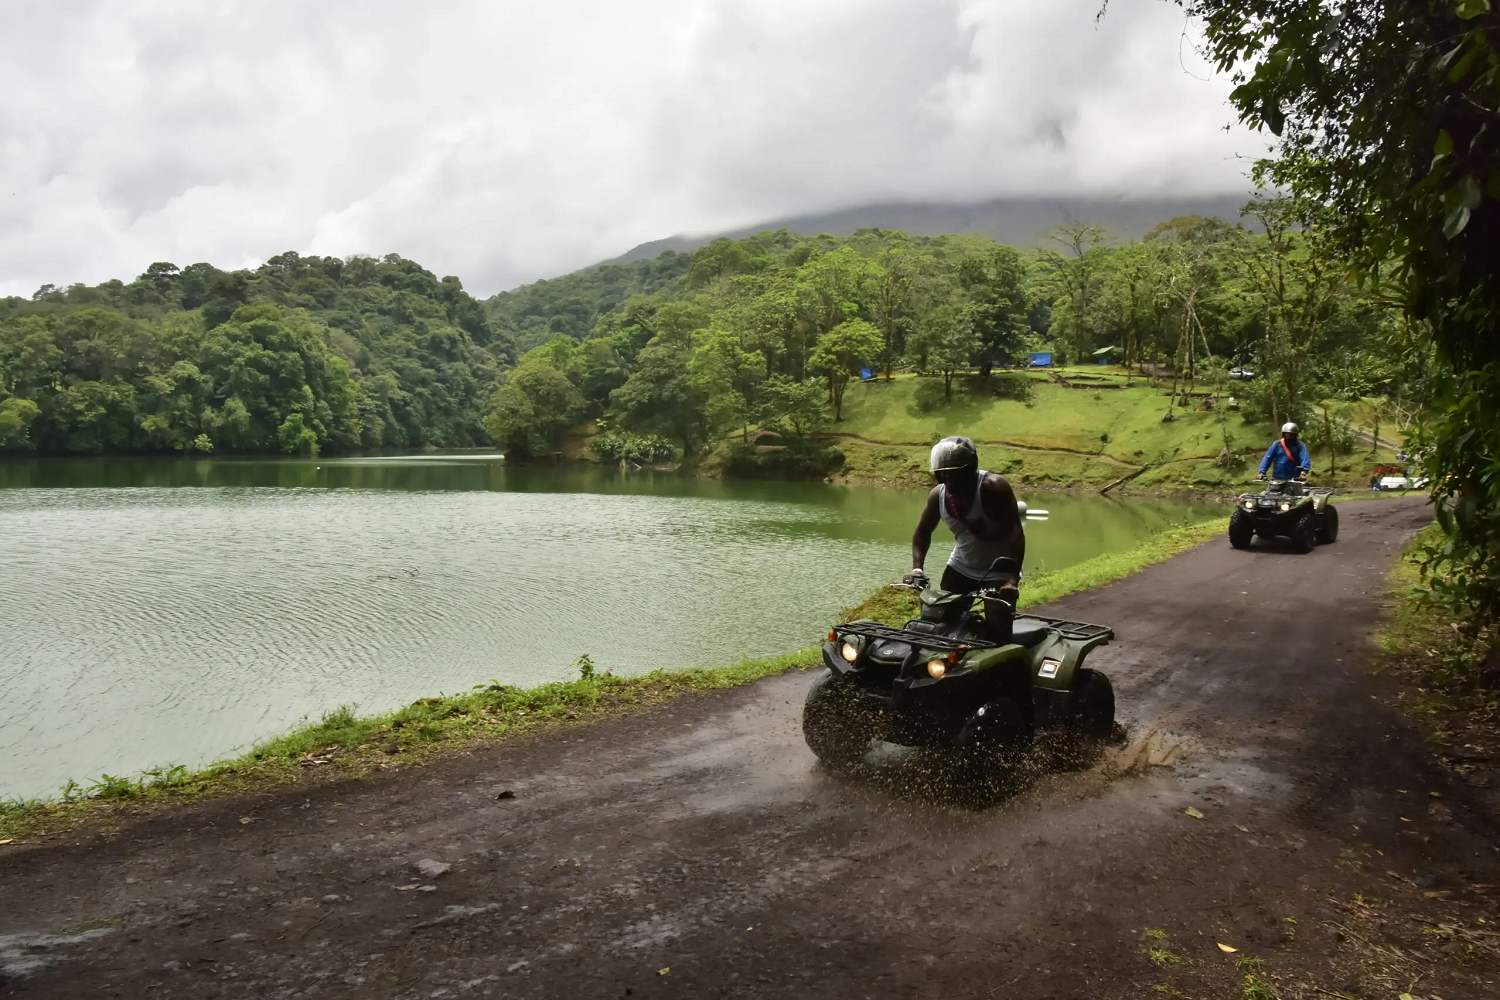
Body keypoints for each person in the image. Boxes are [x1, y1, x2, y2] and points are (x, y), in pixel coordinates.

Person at [902, 437, 1025, 604]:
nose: (947, 477)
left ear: (969, 469)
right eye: (943, 472)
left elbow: (1015, 533)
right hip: (961, 566)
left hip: (999, 570)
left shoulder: (993, 488)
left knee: (997, 617)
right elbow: (922, 532)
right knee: (940, 612)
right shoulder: (938, 496)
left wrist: (1012, 579)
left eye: (954, 472)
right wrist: (917, 569)